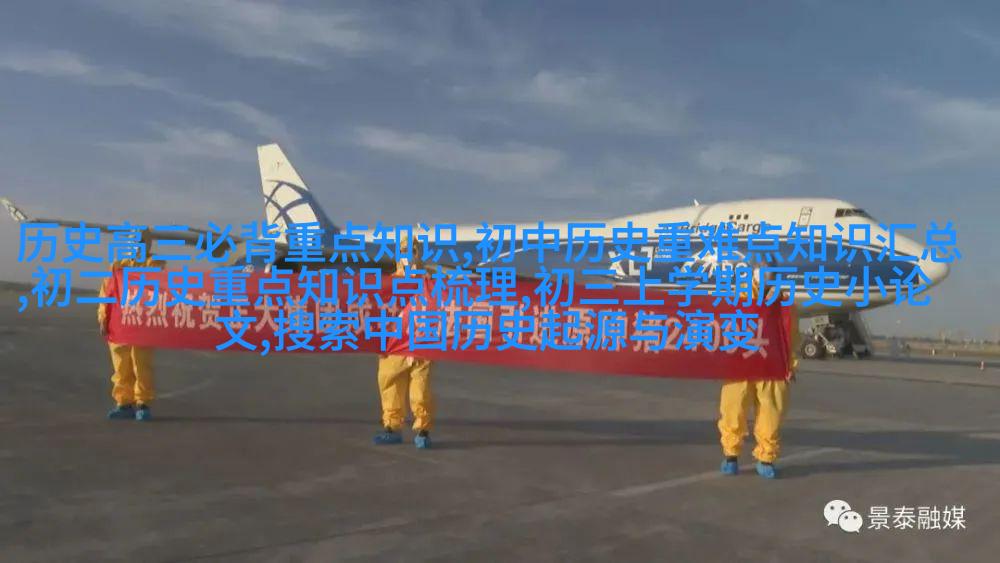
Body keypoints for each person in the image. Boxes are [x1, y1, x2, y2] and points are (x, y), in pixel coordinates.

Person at [718, 266, 799, 479]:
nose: (766, 278)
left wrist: (790, 366)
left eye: (770, 274)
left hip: (771, 367)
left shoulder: (784, 302)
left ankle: (766, 459)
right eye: (761, 273)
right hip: (740, 365)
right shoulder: (738, 297)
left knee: (771, 415)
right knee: (733, 410)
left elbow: (790, 336)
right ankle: (730, 456)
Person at [373, 233, 435, 449]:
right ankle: (392, 428)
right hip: (395, 345)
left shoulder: (429, 284)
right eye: (404, 251)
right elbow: (379, 312)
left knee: (420, 390)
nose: (409, 255)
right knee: (390, 384)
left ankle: (423, 431)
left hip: (420, 344)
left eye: (413, 251)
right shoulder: (389, 284)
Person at [98, 232, 164, 421]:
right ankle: (124, 403)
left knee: (141, 365)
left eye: (140, 242)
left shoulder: (153, 264)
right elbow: (106, 293)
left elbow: (159, 289)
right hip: (120, 324)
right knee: (121, 365)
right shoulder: (118, 265)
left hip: (142, 323)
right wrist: (103, 318)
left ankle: (143, 403)